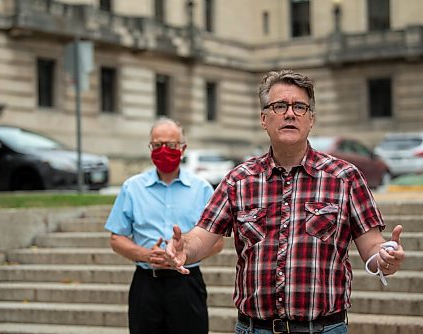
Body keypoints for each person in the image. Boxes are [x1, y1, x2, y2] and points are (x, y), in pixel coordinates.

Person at [165, 70, 405, 334]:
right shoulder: (238, 180)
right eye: (280, 106)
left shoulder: (345, 178)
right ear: (263, 118)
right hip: (254, 328)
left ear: (311, 119)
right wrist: (184, 247)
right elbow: (202, 237)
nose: (290, 113)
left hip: (324, 329)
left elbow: (371, 247)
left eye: (300, 107)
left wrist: (383, 258)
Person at [105, 117, 224, 334]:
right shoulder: (132, 188)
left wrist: (186, 253)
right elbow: (116, 238)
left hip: (187, 284)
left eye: (170, 145)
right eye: (157, 145)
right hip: (146, 284)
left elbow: (216, 242)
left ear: (183, 148)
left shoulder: (202, 189)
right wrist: (145, 254)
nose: (163, 150)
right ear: (150, 147)